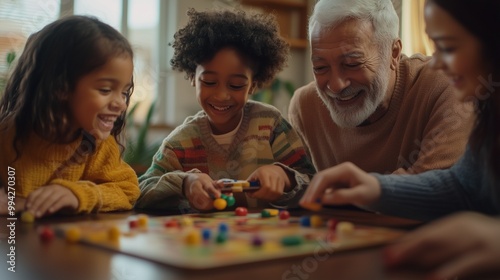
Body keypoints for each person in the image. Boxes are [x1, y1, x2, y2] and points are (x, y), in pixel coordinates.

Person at [301, 0, 500, 278]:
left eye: (449, 47)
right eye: (435, 45)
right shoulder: (488, 106)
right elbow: (463, 187)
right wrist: (378, 189)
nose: (438, 63)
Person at [135, 8, 315, 212]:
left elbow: (311, 180)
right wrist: (185, 183)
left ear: (253, 85)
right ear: (192, 78)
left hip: (267, 241)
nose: (221, 95)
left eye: (236, 85)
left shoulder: (270, 125)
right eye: (209, 82)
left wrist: (285, 177)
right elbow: (142, 191)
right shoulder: (180, 143)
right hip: (204, 241)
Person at [288, 0, 474, 175]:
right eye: (320, 68)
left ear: (393, 53)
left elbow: (435, 191)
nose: (336, 86)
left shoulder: (446, 86)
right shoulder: (305, 107)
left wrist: (345, 192)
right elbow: (298, 189)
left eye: (352, 64)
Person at [0, 15, 140, 218]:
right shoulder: (6, 138)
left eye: (124, 92)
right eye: (105, 89)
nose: (122, 104)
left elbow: (128, 191)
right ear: (60, 87)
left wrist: (77, 194)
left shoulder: (98, 146)